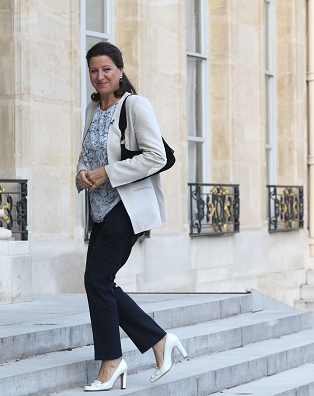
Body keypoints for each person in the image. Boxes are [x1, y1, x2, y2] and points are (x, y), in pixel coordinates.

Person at [75, 41, 188, 392]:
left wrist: (108, 173)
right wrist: (82, 174)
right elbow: (86, 154)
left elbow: (157, 156)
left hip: (127, 207)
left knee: (96, 279)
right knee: (99, 281)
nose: (100, 76)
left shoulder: (135, 106)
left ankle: (112, 361)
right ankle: (157, 341)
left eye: (106, 69)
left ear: (120, 70)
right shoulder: (93, 111)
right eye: (94, 70)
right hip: (101, 209)